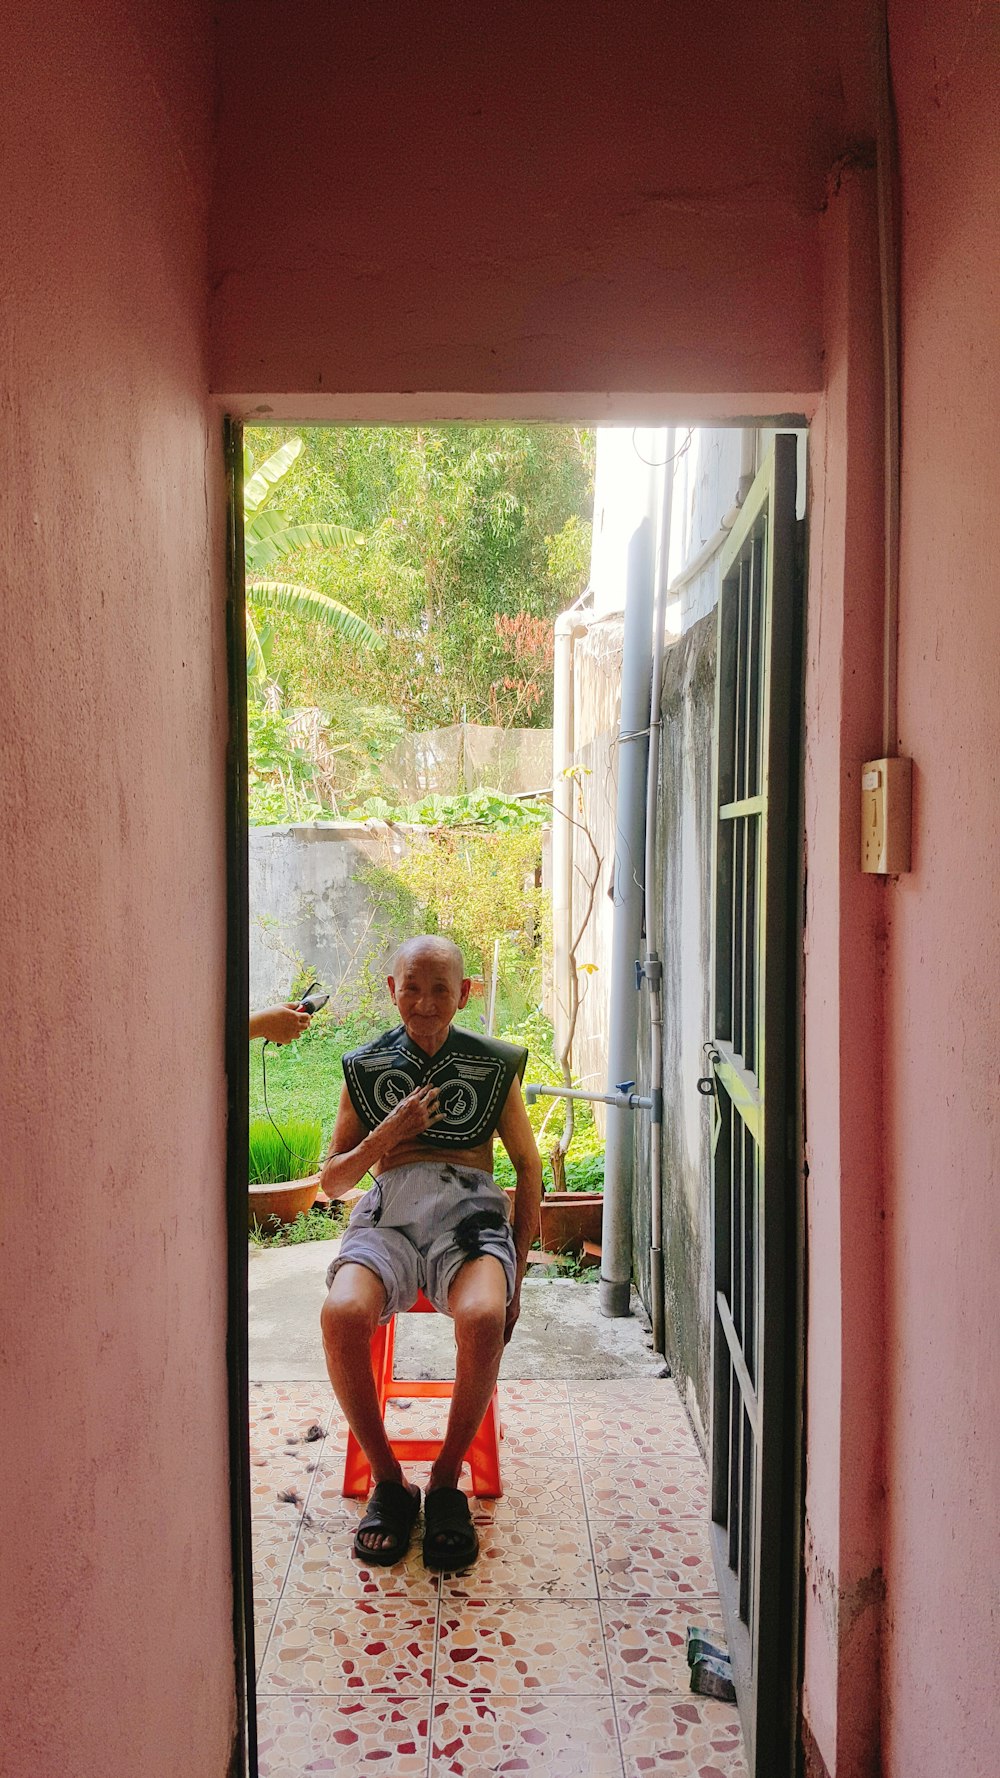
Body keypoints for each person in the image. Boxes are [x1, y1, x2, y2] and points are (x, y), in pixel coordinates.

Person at [319, 935, 542, 1571]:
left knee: (481, 1317)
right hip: (388, 1217)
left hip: (469, 1217)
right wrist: (389, 1134)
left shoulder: (494, 1067)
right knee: (341, 1315)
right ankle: (390, 1481)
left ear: (464, 994)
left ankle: (445, 1481)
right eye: (411, 987)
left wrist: (516, 1274)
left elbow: (528, 1168)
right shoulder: (365, 1069)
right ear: (391, 990)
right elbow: (333, 1182)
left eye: (440, 988)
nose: (424, 1002)